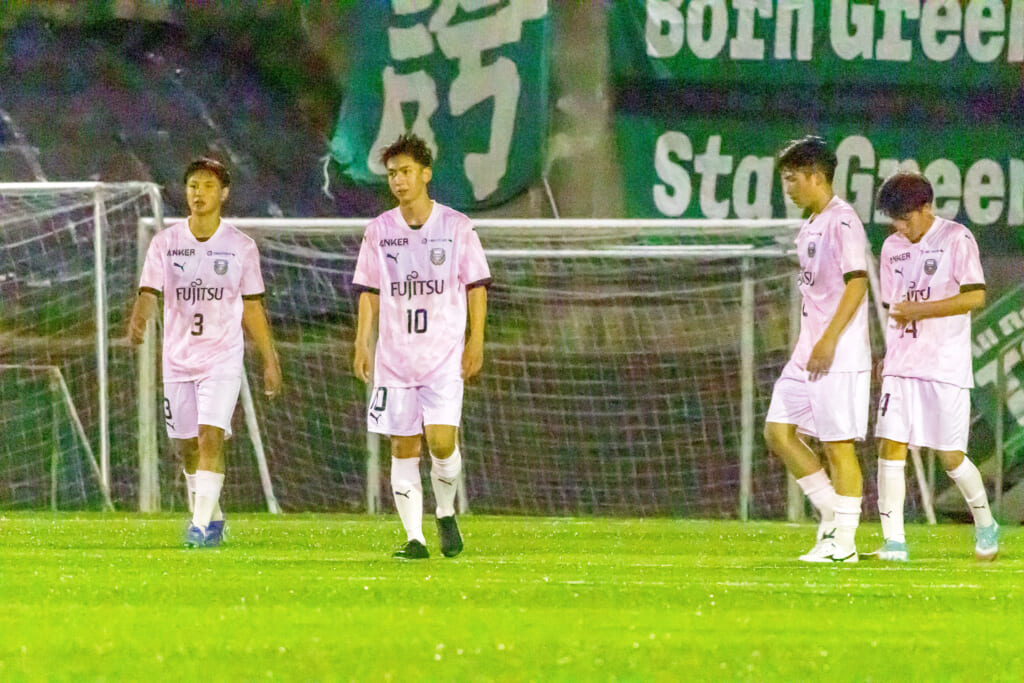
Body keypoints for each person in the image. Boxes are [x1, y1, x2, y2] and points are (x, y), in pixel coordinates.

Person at [128, 157, 282, 547]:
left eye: (208, 186)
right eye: (193, 185)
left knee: (210, 437)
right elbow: (149, 290)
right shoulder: (165, 243)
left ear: (224, 193)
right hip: (177, 359)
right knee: (187, 448)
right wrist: (139, 318)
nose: (199, 193)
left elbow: (252, 307)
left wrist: (269, 358)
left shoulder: (241, 248)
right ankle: (213, 517)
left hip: (221, 359)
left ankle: (198, 528)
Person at [352, 133, 490, 560]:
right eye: (392, 174)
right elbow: (370, 291)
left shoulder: (457, 228)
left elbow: (476, 287)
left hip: (443, 357)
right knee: (402, 446)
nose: (399, 180)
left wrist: (476, 340)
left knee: (441, 442)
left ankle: (445, 511)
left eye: (406, 172)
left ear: (425, 174)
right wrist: (362, 342)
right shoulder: (379, 231)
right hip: (395, 359)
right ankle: (415, 539)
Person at [871, 171, 998, 562]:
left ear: (926, 207)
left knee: (950, 456)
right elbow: (896, 309)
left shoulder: (956, 238)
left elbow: (975, 297)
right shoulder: (892, 248)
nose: (900, 227)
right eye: (894, 220)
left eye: (906, 218)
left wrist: (921, 310)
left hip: (944, 365)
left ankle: (986, 523)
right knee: (891, 444)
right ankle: (894, 541)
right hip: (902, 365)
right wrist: (888, 352)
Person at [764, 136, 871, 563]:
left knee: (838, 447)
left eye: (792, 179)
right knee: (778, 430)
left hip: (837, 353)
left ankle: (844, 545)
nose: (787, 188)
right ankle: (830, 512)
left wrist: (828, 339)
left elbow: (857, 283)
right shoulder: (811, 224)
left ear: (816, 176)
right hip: (807, 353)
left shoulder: (843, 221)